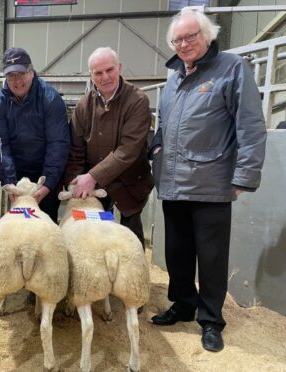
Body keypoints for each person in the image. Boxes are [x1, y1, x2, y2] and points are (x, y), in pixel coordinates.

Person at [149, 9, 267, 353]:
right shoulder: (172, 78)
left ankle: (212, 319)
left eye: (191, 36)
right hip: (173, 184)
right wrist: (156, 148)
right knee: (177, 253)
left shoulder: (232, 69)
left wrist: (244, 176)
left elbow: (250, 126)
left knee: (212, 258)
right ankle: (184, 303)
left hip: (212, 184)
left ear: (207, 36)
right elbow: (164, 124)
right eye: (177, 39)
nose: (184, 44)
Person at [63, 47, 154, 249]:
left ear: (119, 68)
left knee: (130, 243)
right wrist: (75, 182)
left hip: (130, 183)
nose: (105, 77)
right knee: (94, 241)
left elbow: (128, 150)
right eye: (98, 72)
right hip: (94, 189)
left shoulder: (137, 101)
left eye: (110, 70)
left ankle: (133, 278)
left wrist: (92, 176)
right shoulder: (83, 106)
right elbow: (76, 151)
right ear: (91, 75)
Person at [0, 47, 70, 223]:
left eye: (21, 73)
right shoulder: (1, 104)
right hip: (18, 177)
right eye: (11, 76)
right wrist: (10, 182)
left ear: (32, 71)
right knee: (20, 225)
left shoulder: (50, 99)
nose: (17, 81)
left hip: (45, 173)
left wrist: (48, 184)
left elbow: (58, 144)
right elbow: (0, 144)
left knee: (45, 224)